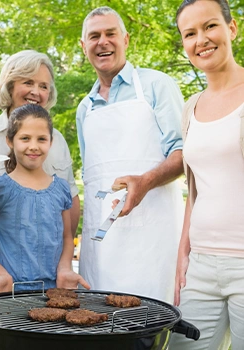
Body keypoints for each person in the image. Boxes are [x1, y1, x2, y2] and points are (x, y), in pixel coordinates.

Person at [0, 50, 80, 304]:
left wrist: (64, 262)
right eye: (28, 82)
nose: (36, 91)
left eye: (44, 86)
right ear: (10, 85)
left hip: (49, 275)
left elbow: (69, 198)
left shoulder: (57, 139)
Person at [76, 6, 185, 303]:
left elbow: (183, 154)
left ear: (125, 39)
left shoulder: (157, 85)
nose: (103, 42)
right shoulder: (84, 109)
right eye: (94, 36)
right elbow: (91, 175)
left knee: (152, 326)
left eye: (111, 33)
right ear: (83, 46)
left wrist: (146, 181)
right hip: (101, 246)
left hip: (153, 240)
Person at [169, 1, 244, 349]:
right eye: (190, 33)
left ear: (232, 28)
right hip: (200, 266)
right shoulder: (191, 106)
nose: (201, 39)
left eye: (210, 26)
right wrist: (183, 254)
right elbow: (194, 189)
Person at [0, 104, 90, 293]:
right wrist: (0, 274)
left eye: (41, 139)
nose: (34, 146)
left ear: (51, 141)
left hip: (54, 293)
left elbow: (67, 237)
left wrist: (65, 269)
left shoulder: (61, 189)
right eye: (25, 138)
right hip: (9, 293)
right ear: (10, 141)